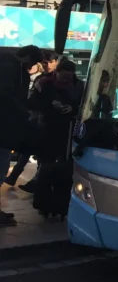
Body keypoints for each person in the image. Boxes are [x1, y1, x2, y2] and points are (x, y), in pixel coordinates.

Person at [29, 58, 82, 218]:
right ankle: (44, 203)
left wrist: (72, 109)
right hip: (48, 128)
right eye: (63, 78)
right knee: (46, 166)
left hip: (68, 130)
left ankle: (60, 203)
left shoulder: (79, 85)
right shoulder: (44, 82)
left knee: (65, 168)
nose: (65, 81)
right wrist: (50, 104)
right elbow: (31, 103)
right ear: (56, 72)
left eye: (68, 78)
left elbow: (83, 104)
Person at [0, 45, 43, 227]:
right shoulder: (12, 69)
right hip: (4, 129)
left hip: (5, 128)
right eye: (32, 62)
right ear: (26, 57)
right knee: (1, 167)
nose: (31, 66)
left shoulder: (8, 64)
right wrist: (23, 111)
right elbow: (8, 97)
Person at [5, 50, 58, 189]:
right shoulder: (23, 73)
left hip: (37, 119)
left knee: (33, 151)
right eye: (41, 63)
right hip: (27, 118)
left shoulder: (45, 79)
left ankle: (27, 179)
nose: (44, 66)